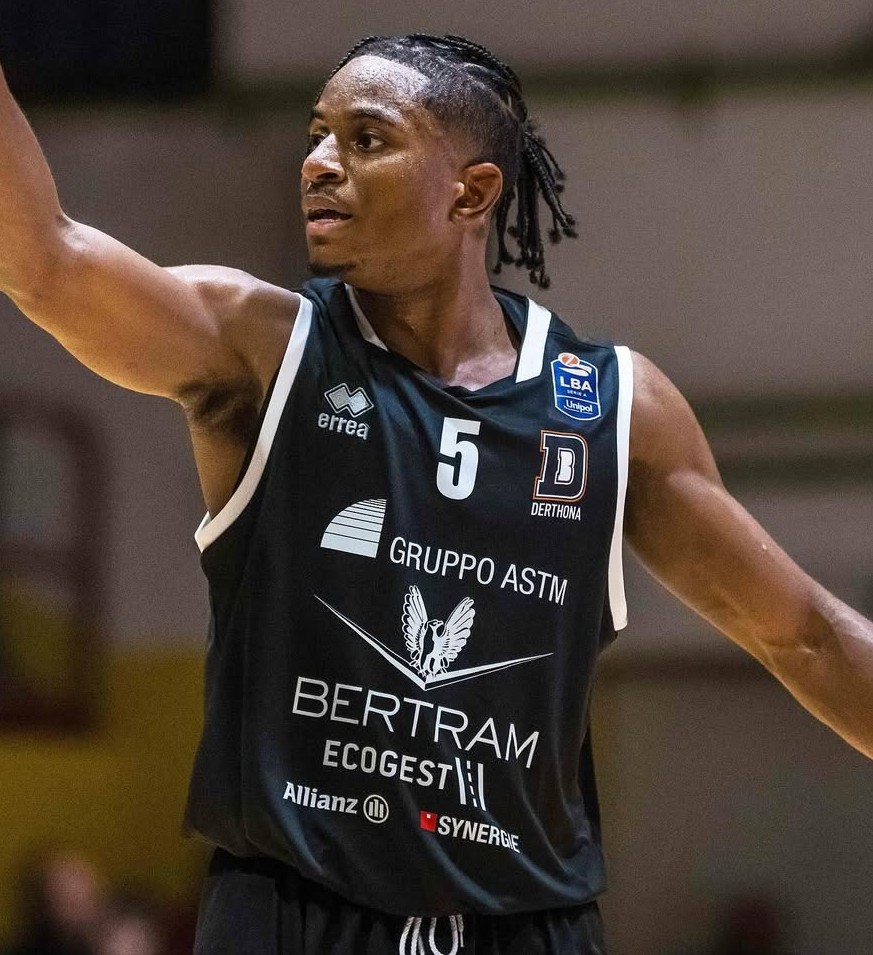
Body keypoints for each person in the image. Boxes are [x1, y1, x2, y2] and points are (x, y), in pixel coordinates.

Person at [1, 31, 871, 955]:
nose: (319, 163)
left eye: (366, 139)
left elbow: (806, 634)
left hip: (526, 926)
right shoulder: (260, 346)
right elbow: (45, 259)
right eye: (316, 135)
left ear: (471, 192)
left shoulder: (611, 408)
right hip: (293, 915)